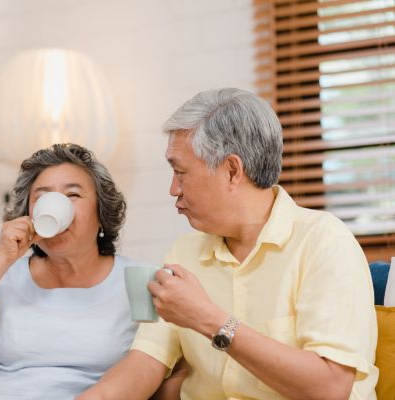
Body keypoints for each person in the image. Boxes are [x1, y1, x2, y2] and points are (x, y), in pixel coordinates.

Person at [78, 88, 378, 400]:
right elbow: (146, 359)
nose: (173, 189)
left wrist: (210, 320)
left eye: (181, 172)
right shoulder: (185, 252)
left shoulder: (323, 242)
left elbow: (330, 388)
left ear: (232, 171)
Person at [0, 143, 153, 399]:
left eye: (72, 195)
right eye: (41, 197)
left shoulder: (139, 279)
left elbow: (158, 367)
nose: (57, 204)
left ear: (102, 212)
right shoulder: (5, 277)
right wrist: (2, 257)